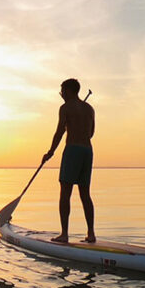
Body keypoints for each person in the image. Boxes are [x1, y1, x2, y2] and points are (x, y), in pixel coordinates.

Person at [42, 78, 95, 243]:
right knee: (85, 193)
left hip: (72, 150)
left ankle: (64, 234)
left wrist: (50, 152)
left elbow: (59, 132)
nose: (61, 95)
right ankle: (91, 233)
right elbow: (91, 132)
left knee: (65, 192)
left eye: (62, 91)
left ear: (69, 91)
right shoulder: (90, 109)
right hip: (87, 150)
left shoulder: (65, 108)